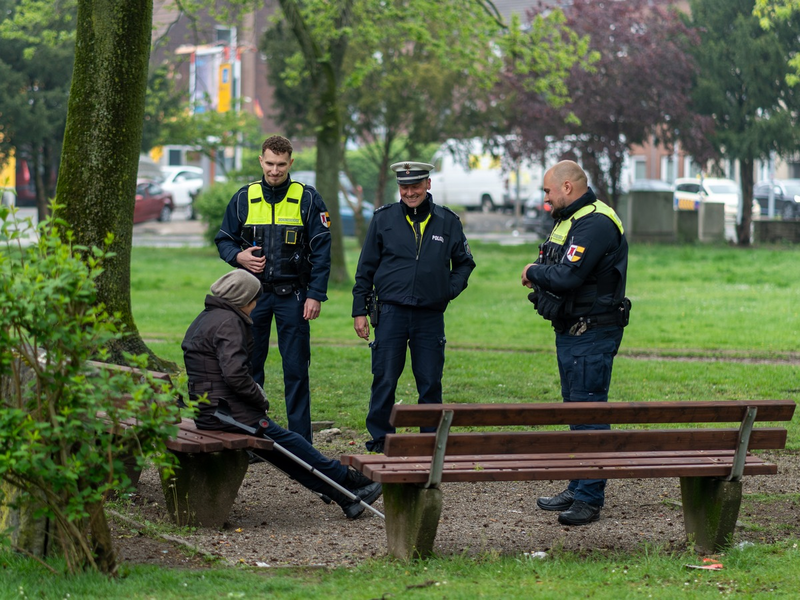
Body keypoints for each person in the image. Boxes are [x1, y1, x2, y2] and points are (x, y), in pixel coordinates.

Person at [182, 270, 382, 519]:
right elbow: (235, 375)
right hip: (227, 414)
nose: (256, 305)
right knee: (291, 445)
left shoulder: (207, 317)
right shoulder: (229, 322)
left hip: (213, 411)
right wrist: (259, 398)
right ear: (244, 299)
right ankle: (347, 478)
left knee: (283, 452)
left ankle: (346, 497)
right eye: (255, 299)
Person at [520, 160, 630, 526]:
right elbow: (556, 266)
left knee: (589, 411)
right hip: (570, 330)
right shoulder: (569, 221)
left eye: (548, 192)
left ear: (568, 187)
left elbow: (567, 276)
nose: (546, 200)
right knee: (575, 411)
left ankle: (589, 497)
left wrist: (531, 272)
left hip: (592, 331)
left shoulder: (596, 222)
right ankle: (579, 483)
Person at [352, 161, 476, 452]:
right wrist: (359, 310)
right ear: (399, 188)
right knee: (384, 378)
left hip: (429, 316)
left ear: (428, 185)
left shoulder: (447, 221)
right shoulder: (383, 219)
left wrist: (447, 290)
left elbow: (464, 263)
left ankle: (429, 440)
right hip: (390, 313)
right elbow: (365, 268)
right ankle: (382, 439)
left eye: (416, 186)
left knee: (430, 381)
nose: (410, 192)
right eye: (404, 187)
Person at [215, 135, 331, 443]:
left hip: (294, 296)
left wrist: (316, 294)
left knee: (296, 370)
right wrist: (236, 256)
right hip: (252, 299)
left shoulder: (307, 198)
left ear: (291, 163)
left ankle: (301, 442)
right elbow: (224, 238)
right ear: (260, 161)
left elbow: (322, 250)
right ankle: (253, 437)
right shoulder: (244, 197)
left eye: (281, 164)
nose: (275, 170)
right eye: (269, 163)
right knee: (249, 369)